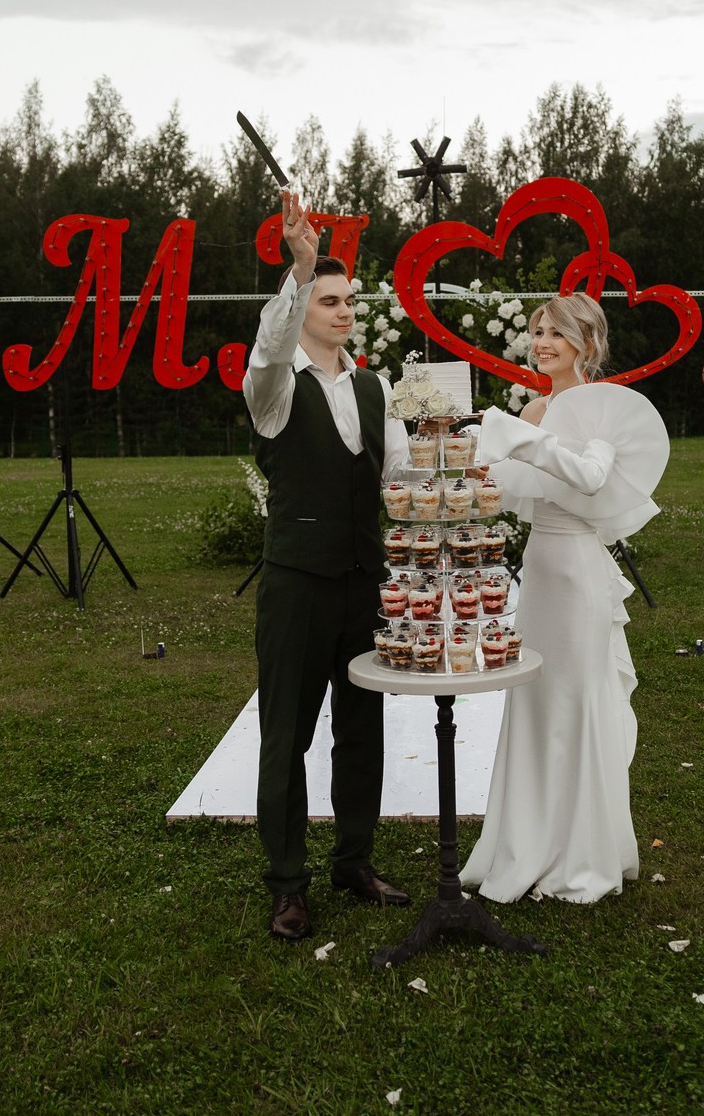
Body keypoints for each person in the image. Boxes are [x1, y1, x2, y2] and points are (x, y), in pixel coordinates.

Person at [243, 188, 416, 942]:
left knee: (363, 725)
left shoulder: (376, 388)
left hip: (362, 583)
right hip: (296, 584)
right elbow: (266, 352)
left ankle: (354, 859)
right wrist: (299, 268)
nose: (345, 310)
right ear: (305, 308)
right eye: (330, 299)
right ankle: (287, 883)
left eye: (350, 299)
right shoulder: (276, 389)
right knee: (287, 735)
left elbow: (402, 481)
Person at [459, 292, 669, 903]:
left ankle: (581, 852)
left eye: (556, 333)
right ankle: (526, 842)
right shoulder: (531, 407)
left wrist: (516, 437)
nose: (542, 342)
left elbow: (590, 478)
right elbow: (518, 487)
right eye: (537, 331)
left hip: (578, 573)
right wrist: (474, 464)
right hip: (540, 569)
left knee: (575, 703)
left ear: (588, 344)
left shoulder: (602, 410)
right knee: (534, 700)